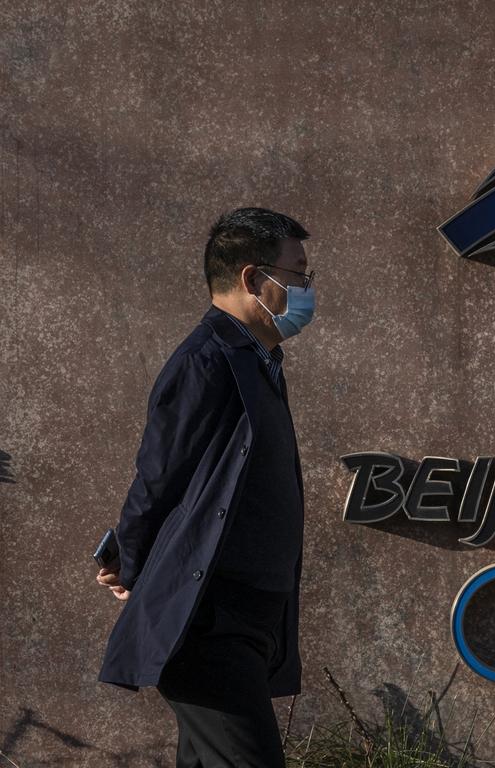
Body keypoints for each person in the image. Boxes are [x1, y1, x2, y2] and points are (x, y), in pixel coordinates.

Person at [95, 207, 316, 767]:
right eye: (298, 274)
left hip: (250, 621)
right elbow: (158, 473)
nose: (308, 289)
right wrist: (131, 559)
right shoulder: (205, 361)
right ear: (252, 278)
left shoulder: (260, 360)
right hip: (207, 621)